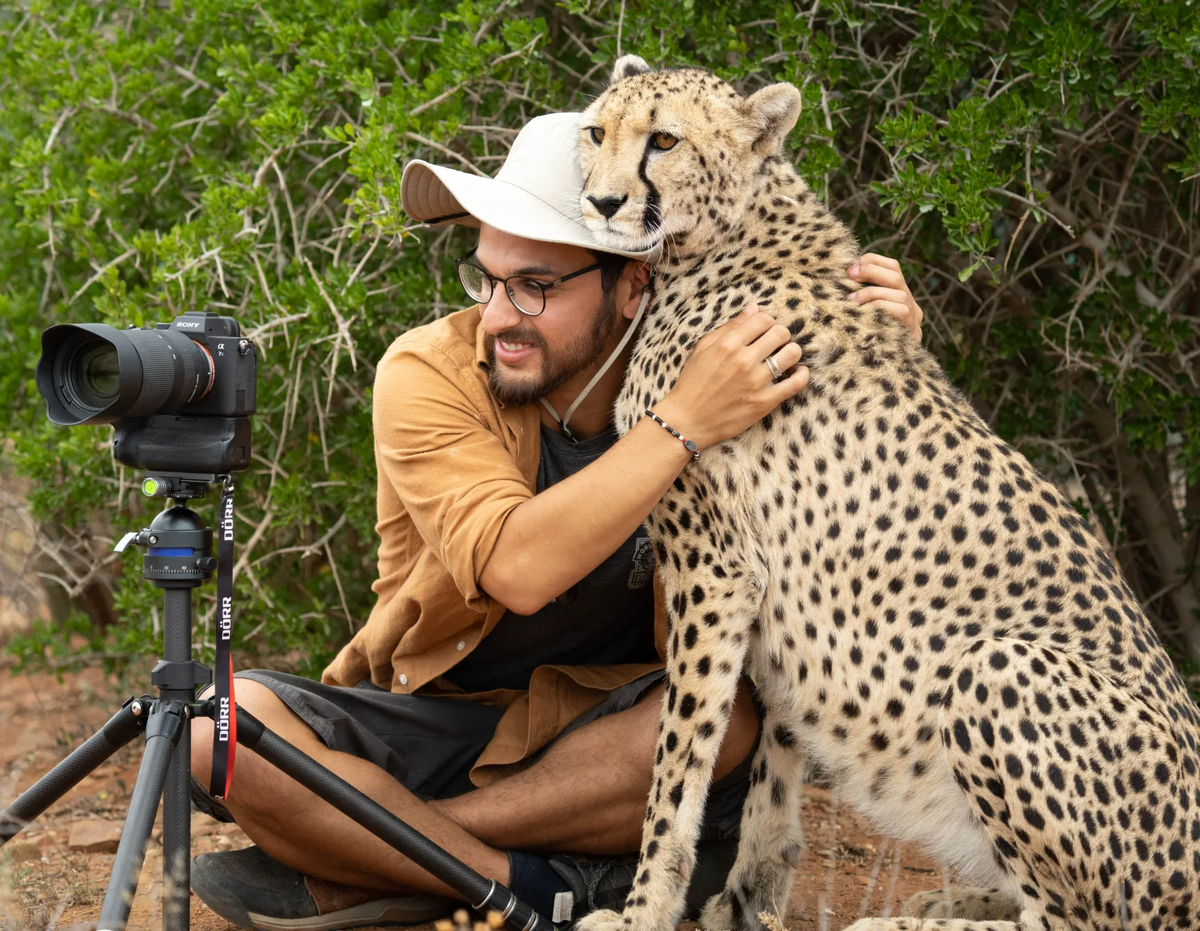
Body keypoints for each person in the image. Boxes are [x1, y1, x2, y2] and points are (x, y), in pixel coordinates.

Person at [187, 111, 924, 931]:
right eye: (488, 279)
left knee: (727, 719)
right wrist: (681, 423)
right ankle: (532, 884)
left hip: (616, 738)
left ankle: (369, 859)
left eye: (536, 285)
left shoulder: (716, 365)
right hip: (443, 714)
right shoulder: (427, 369)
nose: (501, 314)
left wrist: (875, 359)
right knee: (214, 726)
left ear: (632, 286)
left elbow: (853, 549)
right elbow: (519, 568)